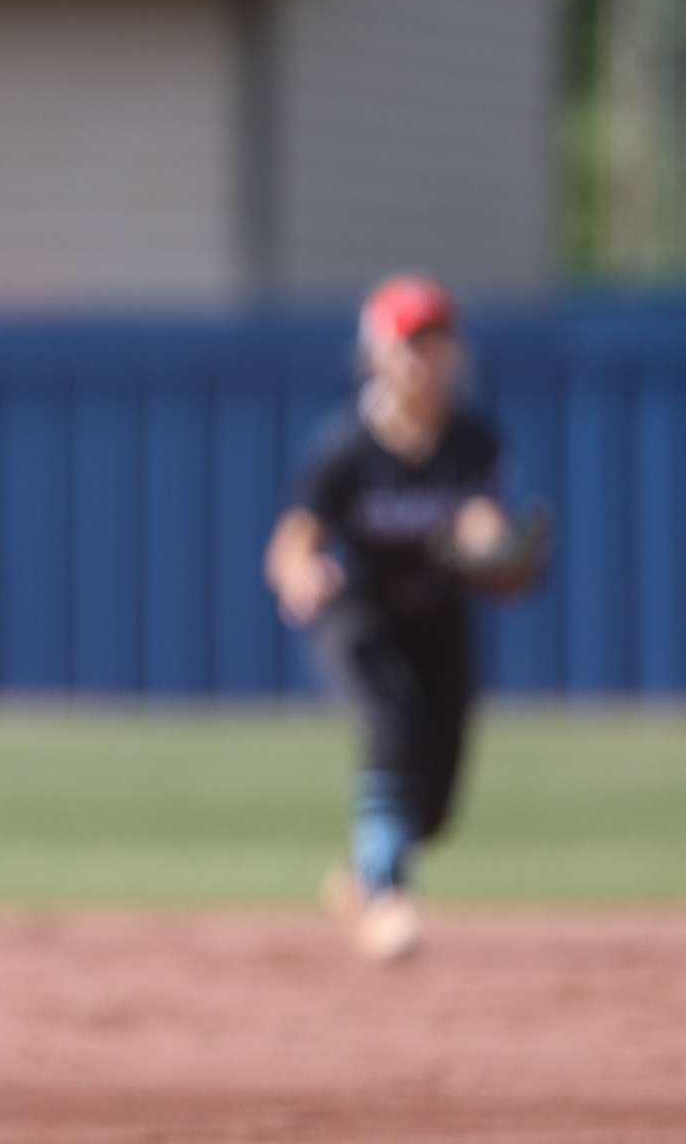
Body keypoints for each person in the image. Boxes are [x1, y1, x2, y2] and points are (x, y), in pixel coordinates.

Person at [263, 274, 532, 963]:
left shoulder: (471, 438)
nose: (428, 358)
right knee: (392, 719)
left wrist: (493, 547)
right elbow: (293, 539)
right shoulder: (347, 445)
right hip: (359, 616)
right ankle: (386, 894)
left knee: (433, 809)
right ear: (378, 354)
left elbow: (482, 516)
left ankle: (358, 876)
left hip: (440, 623)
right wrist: (302, 573)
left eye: (439, 342)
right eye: (413, 343)